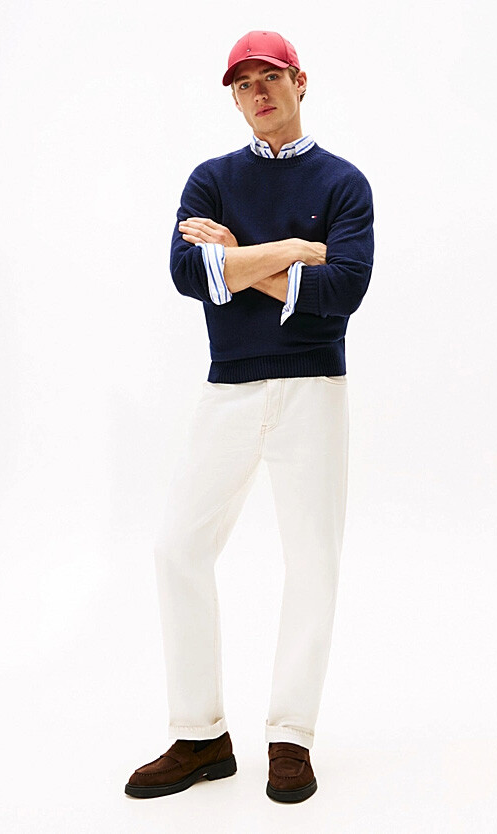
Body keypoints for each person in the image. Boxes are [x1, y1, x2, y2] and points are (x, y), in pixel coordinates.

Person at [125, 29, 375, 804]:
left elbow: (340, 294)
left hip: (313, 389)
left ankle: (291, 737)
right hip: (228, 387)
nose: (257, 93)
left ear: (300, 81)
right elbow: (186, 272)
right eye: (243, 84)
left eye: (269, 78)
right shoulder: (211, 180)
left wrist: (238, 256)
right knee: (178, 548)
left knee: (312, 561)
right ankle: (201, 735)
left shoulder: (344, 184)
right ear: (233, 98)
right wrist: (296, 249)